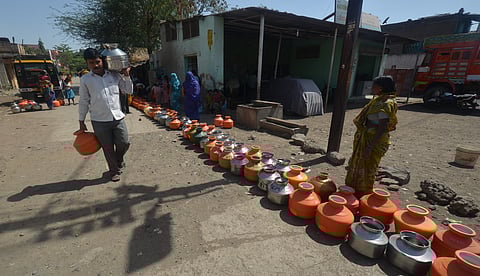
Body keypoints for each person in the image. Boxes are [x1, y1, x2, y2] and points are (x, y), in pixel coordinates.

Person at [76, 48, 133, 182]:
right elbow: (83, 100)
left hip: (117, 117)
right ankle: (114, 171)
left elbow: (128, 90)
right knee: (107, 148)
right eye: (91, 63)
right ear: (87, 64)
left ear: (103, 61)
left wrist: (126, 76)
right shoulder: (85, 80)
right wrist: (81, 120)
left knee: (124, 142)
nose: (95, 65)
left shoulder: (114, 75)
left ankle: (119, 161)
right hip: (99, 120)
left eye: (97, 62)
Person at [345, 76, 398, 198]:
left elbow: (382, 127)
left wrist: (370, 145)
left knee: (369, 166)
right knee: (358, 162)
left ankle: (363, 192)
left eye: (374, 86)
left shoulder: (385, 104)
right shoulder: (378, 100)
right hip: (366, 135)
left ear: (380, 88)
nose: (371, 88)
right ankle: (354, 187)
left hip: (374, 139)